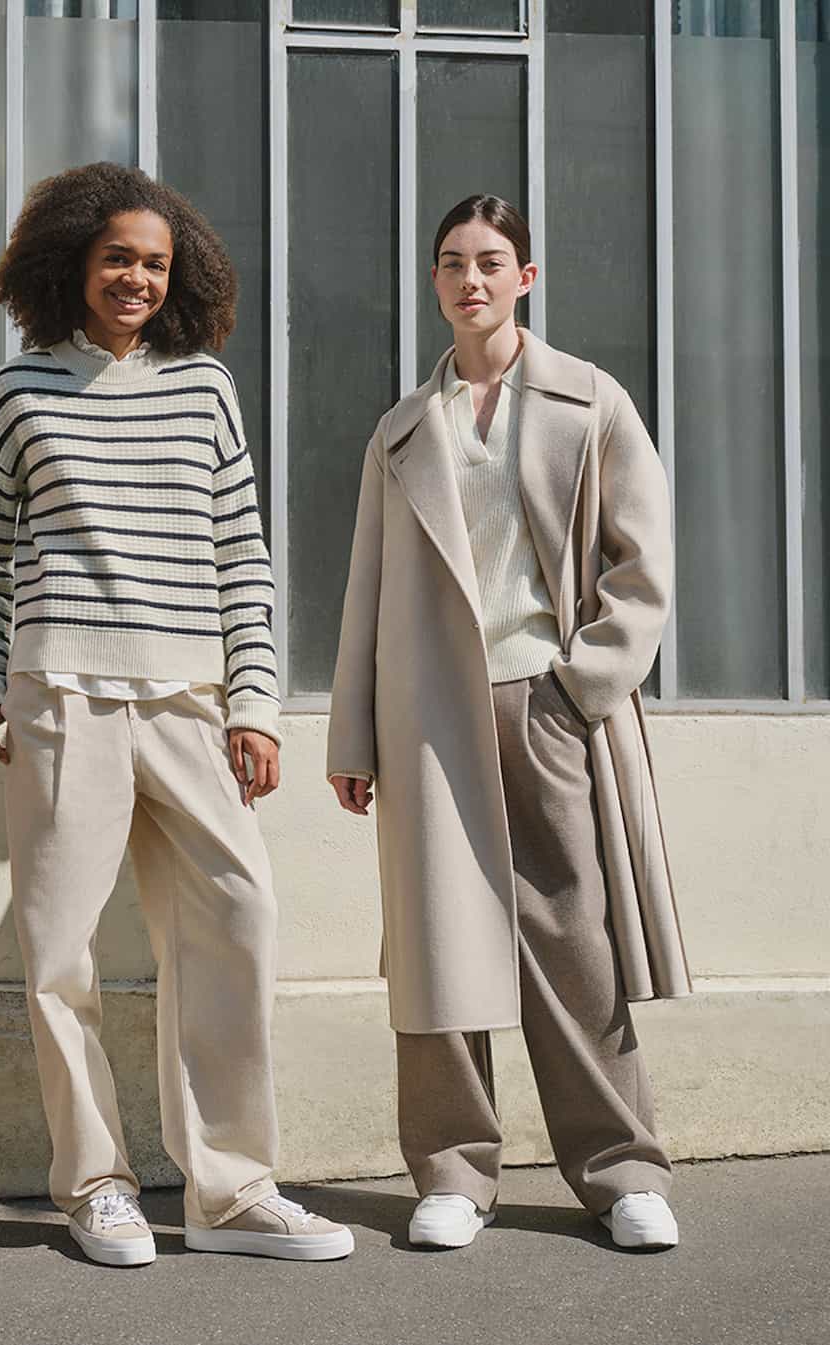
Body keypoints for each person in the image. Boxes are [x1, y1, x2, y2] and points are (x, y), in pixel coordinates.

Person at [0, 161, 353, 1266]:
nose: (136, 276)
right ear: (72, 263)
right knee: (59, 954)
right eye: (117, 257)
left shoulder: (204, 388)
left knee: (236, 922)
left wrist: (257, 705)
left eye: (155, 262)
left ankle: (231, 1191)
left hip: (188, 702)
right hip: (63, 697)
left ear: (180, 278)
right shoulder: (21, 388)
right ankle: (96, 1186)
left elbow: (243, 558)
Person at [327, 194, 691, 1253]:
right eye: (451, 263)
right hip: (426, 713)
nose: (469, 279)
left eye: (490, 261)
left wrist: (582, 686)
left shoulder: (591, 402)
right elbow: (367, 591)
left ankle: (621, 1170)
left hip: (544, 700)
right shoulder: (402, 429)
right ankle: (450, 1171)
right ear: (434, 282)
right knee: (438, 948)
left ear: (525, 277)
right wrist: (353, 735)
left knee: (572, 939)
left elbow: (642, 564)